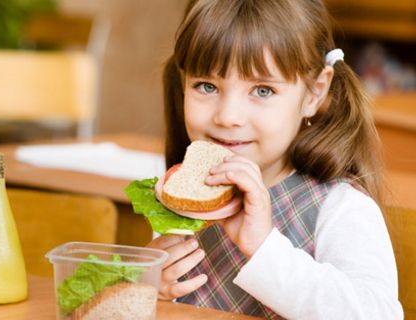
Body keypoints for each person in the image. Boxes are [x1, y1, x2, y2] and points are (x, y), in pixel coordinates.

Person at [147, 0, 404, 319]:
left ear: (314, 94)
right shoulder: (183, 201)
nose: (228, 116)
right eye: (207, 86)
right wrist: (151, 288)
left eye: (263, 91)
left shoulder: (340, 208)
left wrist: (265, 247)